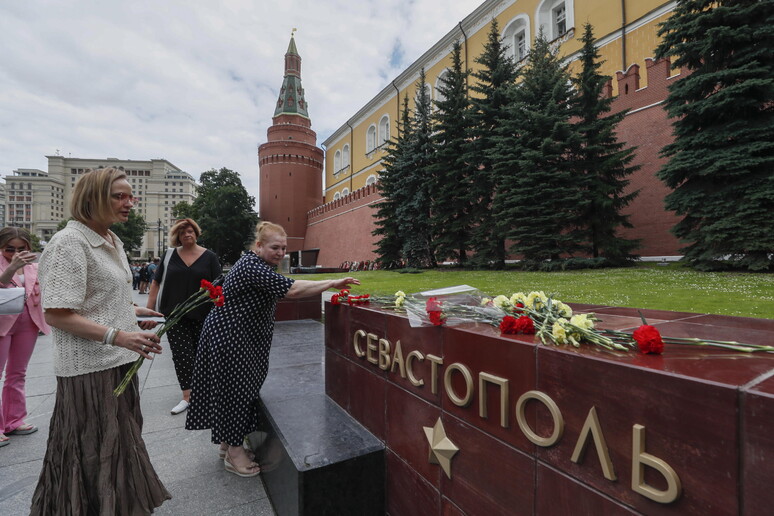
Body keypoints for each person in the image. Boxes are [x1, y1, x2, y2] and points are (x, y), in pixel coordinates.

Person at [30, 167, 170, 514]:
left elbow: (98, 299)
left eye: (131, 196)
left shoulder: (111, 240)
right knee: (94, 449)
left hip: (118, 363)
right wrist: (119, 335)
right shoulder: (69, 243)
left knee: (120, 444)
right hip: (88, 371)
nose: (130, 203)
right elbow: (57, 313)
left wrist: (133, 312)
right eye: (119, 196)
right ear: (93, 199)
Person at [185, 221, 359, 477]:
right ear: (258, 246)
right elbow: (292, 289)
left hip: (236, 337)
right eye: (275, 247)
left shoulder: (255, 264)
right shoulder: (253, 267)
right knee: (237, 391)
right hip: (232, 339)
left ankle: (227, 444)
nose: (280, 253)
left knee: (235, 389)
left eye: (284, 248)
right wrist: (332, 282)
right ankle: (234, 454)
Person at [146, 218, 221, 415]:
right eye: (182, 232)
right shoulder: (170, 255)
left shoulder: (210, 256)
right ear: (177, 236)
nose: (187, 234)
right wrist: (149, 310)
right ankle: (187, 396)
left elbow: (218, 286)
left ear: (196, 233)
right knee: (182, 355)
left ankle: (205, 394)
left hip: (203, 315)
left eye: (190, 231)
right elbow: (156, 283)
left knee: (203, 355)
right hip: (175, 314)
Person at [0, 227, 50, 447]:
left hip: (27, 323)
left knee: (17, 373)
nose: (16, 253)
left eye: (22, 248)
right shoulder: (6, 264)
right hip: (1, 323)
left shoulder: (35, 267)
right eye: (9, 249)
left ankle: (14, 420)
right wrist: (12, 267)